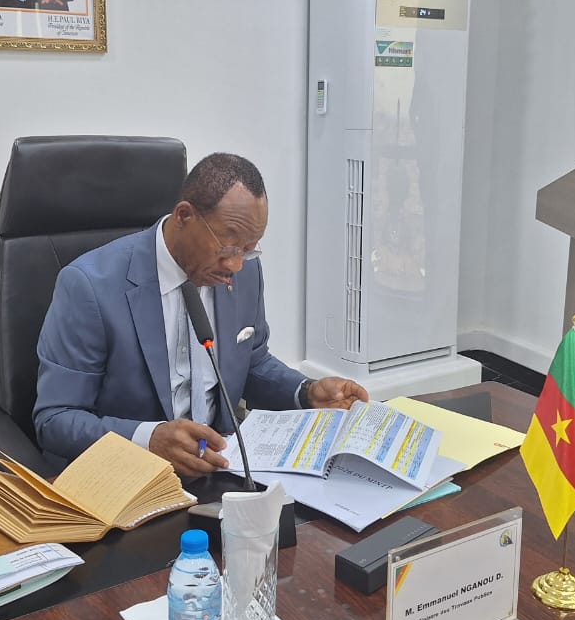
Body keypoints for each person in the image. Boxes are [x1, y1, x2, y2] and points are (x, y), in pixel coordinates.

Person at [33, 153, 369, 476]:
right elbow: (55, 419)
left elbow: (251, 363)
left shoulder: (245, 273)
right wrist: (149, 439)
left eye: (248, 250)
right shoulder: (89, 286)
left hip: (219, 468)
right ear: (184, 216)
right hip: (128, 478)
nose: (235, 265)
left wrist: (306, 391)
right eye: (227, 248)